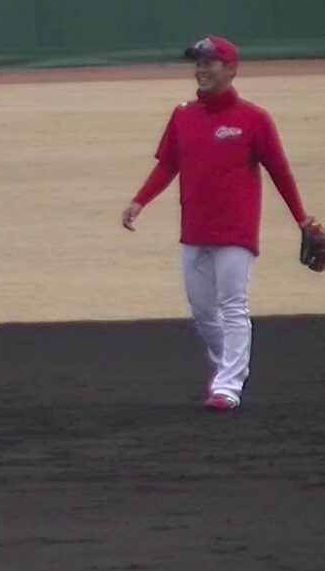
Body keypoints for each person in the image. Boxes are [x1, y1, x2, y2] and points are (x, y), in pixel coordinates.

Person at [121, 34, 316, 412]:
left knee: (232, 306)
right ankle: (229, 365)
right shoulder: (182, 115)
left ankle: (228, 385)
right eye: (198, 61)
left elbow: (279, 171)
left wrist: (300, 218)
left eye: (209, 62)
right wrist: (139, 200)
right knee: (201, 311)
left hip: (235, 233)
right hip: (193, 230)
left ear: (231, 68)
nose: (201, 68)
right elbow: (168, 164)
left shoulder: (253, 119)